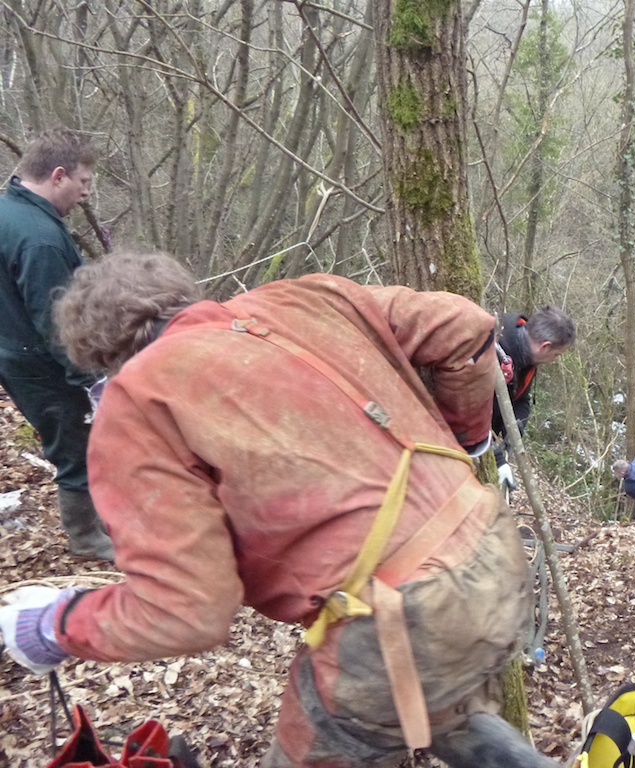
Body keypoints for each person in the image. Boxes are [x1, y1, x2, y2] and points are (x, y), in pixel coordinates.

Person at [0, 251, 558, 768]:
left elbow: (185, 611)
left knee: (375, 705)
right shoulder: (305, 299)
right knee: (432, 706)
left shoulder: (142, 398)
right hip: (491, 547)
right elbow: (464, 324)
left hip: (404, 609)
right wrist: (465, 436)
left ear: (103, 357)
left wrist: (54, 626)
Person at [0, 128, 112, 560]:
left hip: (16, 348)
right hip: (38, 361)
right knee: (76, 443)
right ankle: (86, 538)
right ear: (58, 175)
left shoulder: (10, 211)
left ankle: (96, 523)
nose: (86, 193)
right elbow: (56, 320)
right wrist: (88, 380)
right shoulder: (39, 239)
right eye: (84, 182)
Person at [491, 306, 575, 493]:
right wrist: (497, 459)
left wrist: (515, 428)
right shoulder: (494, 350)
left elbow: (522, 400)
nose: (554, 360)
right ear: (545, 346)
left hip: (487, 441)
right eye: (556, 354)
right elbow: (466, 410)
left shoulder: (527, 359)